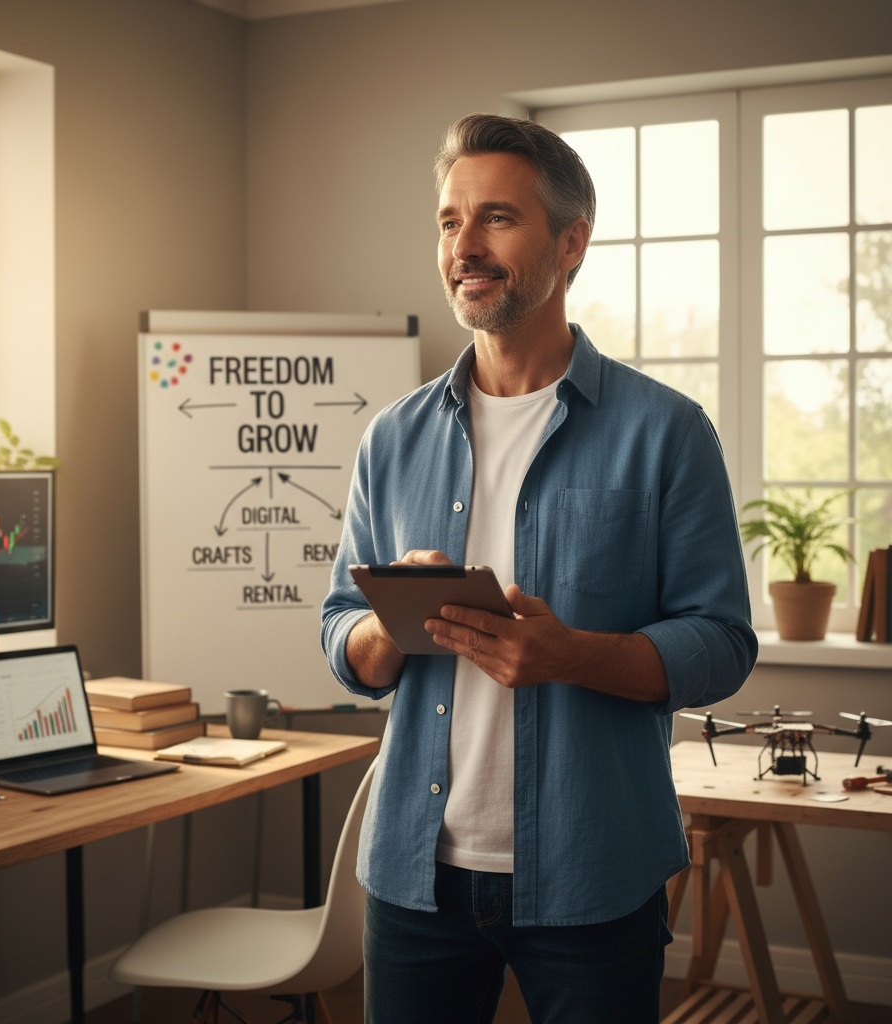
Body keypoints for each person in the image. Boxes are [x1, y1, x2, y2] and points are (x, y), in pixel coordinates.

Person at [320, 112, 757, 1024]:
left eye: (497, 219)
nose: (464, 246)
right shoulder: (391, 439)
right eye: (449, 221)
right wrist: (388, 625)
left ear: (572, 243)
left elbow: (721, 644)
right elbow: (340, 637)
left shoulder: (667, 432)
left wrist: (570, 656)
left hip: (596, 875)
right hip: (413, 878)